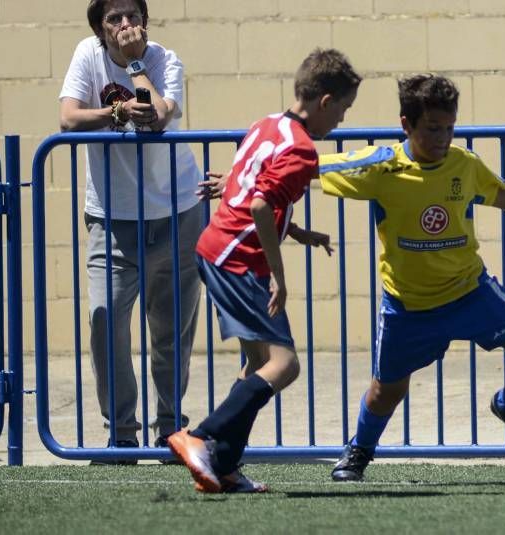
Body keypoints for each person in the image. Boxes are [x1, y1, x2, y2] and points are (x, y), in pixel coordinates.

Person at [318, 74, 505, 481]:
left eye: (449, 128)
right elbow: (309, 169)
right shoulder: (382, 166)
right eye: (432, 129)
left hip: (469, 291)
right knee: (386, 391)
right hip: (410, 305)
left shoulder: (465, 164)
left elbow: (501, 194)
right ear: (406, 124)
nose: (443, 138)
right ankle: (359, 451)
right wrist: (242, 182)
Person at [167, 48, 361, 493]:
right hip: (238, 258)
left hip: (214, 247)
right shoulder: (303, 150)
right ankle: (201, 436)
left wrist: (299, 232)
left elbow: (248, 190)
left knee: (257, 363)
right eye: (344, 110)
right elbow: (259, 205)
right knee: (285, 364)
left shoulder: (265, 124)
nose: (342, 122)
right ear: (325, 101)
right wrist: (279, 274)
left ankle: (223, 466)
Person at [59, 0, 203, 463]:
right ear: (100, 30)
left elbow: (160, 116)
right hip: (111, 216)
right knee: (105, 321)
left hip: (175, 210)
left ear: (145, 20)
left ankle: (170, 427)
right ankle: (121, 431)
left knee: (170, 330)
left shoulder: (164, 59)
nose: (125, 26)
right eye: (113, 20)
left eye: (132, 16)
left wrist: (136, 63)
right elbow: (69, 117)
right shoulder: (88, 55)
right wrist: (117, 116)